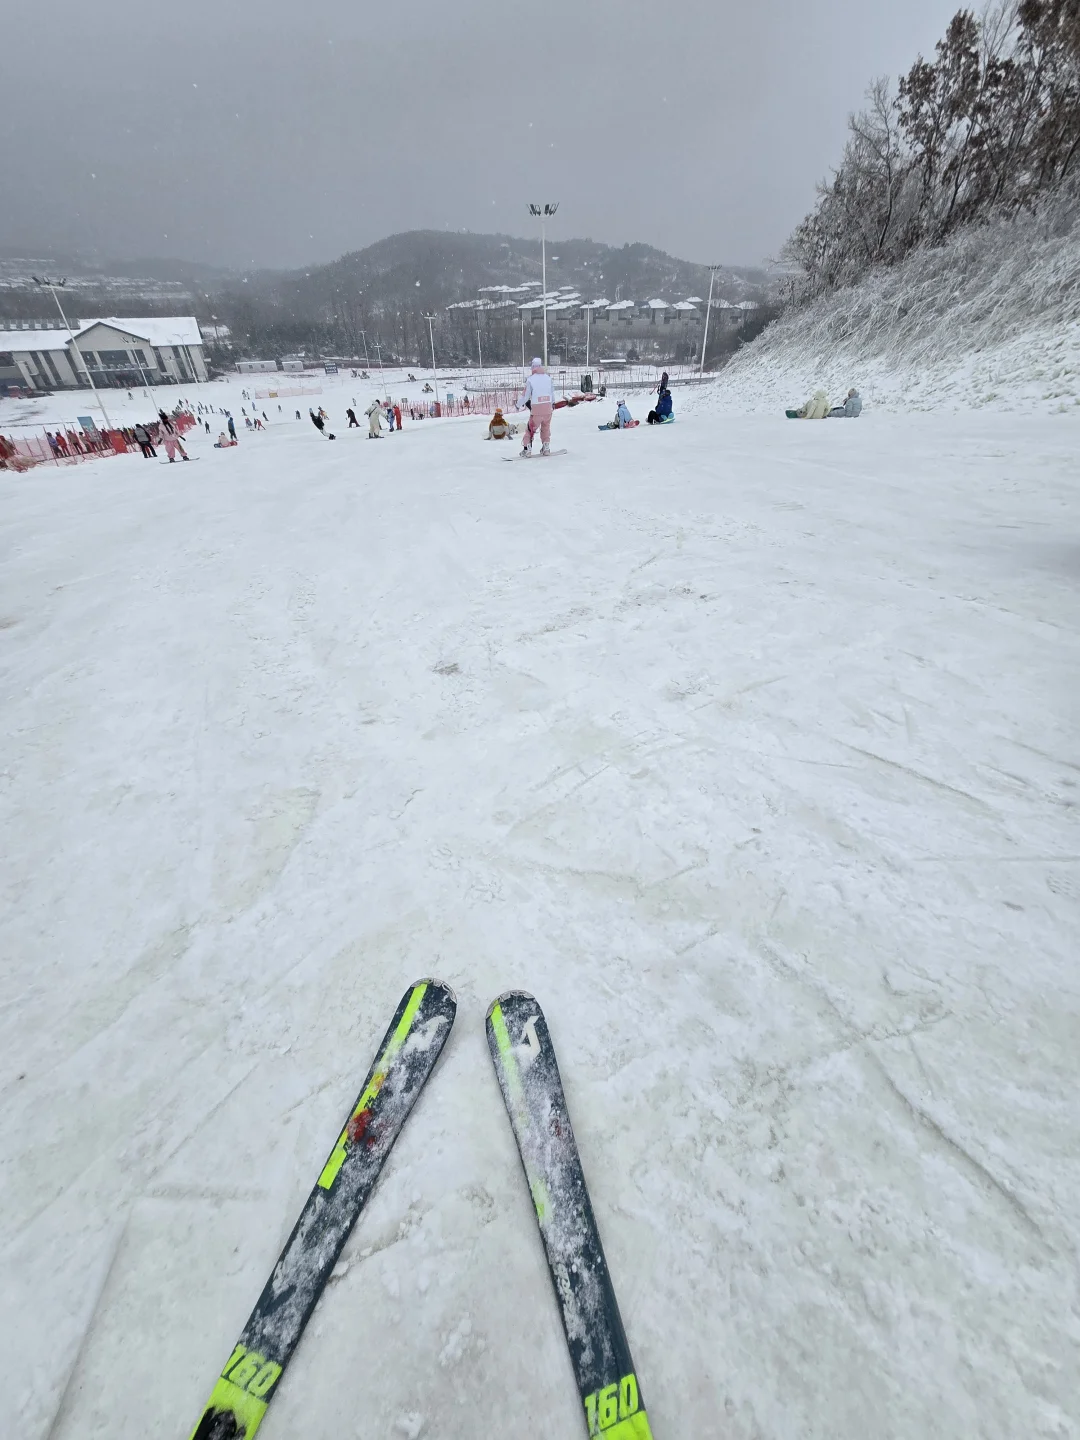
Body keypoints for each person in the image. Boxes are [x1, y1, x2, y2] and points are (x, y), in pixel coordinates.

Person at [516, 356, 555, 456]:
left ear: (532, 367)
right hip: (548, 409)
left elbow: (525, 396)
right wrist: (553, 404)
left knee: (530, 430)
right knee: (546, 428)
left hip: (536, 410)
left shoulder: (530, 380)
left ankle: (527, 449)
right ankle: (546, 448)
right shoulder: (548, 378)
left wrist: (518, 405)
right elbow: (552, 393)